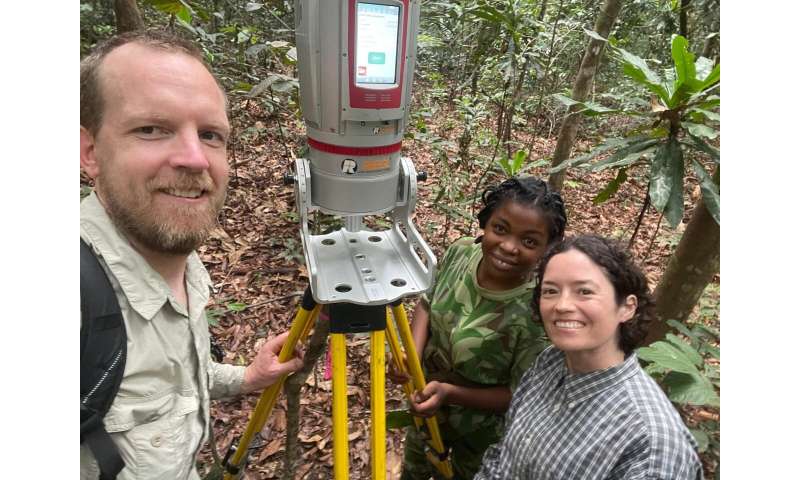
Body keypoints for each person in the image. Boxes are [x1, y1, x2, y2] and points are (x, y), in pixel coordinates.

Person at [79, 31, 304, 479]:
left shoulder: (176, 259)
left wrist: (245, 378)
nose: (194, 158)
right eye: (151, 129)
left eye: (210, 135)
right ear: (89, 152)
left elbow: (170, 378)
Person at [474, 235, 704, 480]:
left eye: (584, 291)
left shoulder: (649, 445)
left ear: (627, 307)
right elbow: (505, 457)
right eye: (551, 290)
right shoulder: (550, 361)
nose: (562, 305)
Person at [392, 177, 568, 480]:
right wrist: (412, 355)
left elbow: (520, 395)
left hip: (482, 436)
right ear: (485, 224)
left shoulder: (539, 314)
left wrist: (450, 394)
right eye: (500, 229)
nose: (509, 247)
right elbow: (426, 304)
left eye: (529, 242)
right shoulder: (460, 253)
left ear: (547, 249)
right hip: (426, 406)